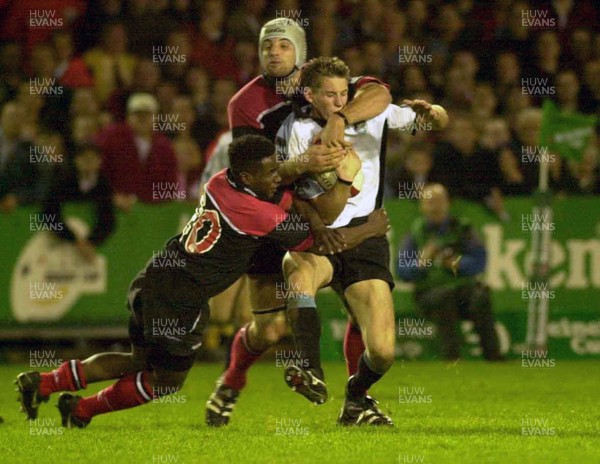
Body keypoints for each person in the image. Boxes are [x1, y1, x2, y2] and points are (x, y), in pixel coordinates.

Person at [15, 134, 389, 428]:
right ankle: (81, 410)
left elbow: (282, 194)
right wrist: (366, 225)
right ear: (247, 177)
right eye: (270, 172)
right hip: (181, 298)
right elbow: (321, 243)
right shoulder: (255, 213)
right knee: (167, 381)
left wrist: (301, 176)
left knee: (138, 360)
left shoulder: (220, 182)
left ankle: (48, 384)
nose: (277, 175)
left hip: (153, 278)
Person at [205, 17, 394, 426]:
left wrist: (339, 119)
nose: (274, 51)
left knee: (360, 306)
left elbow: (379, 93)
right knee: (268, 329)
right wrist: (303, 164)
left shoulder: (328, 84)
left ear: (300, 53)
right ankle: (231, 380)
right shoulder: (244, 103)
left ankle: (356, 400)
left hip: (329, 213)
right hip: (274, 218)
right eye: (267, 45)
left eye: (284, 45)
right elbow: (251, 177)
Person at [277, 57, 448, 426]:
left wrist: (433, 112)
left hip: (365, 243)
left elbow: (425, 117)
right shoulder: (299, 129)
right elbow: (306, 200)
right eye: (329, 95)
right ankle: (310, 369)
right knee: (297, 275)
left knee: (384, 352)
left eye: (344, 94)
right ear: (310, 95)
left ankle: (356, 399)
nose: (338, 102)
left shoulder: (371, 115)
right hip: (320, 235)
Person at [397, 183, 502, 361]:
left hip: (462, 290)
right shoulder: (415, 234)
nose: (435, 207)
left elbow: (479, 261)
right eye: (430, 202)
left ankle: (494, 357)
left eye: (439, 201)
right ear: (422, 206)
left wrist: (456, 263)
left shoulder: (462, 229)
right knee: (443, 297)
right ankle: (451, 358)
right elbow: (402, 271)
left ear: (447, 204)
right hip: (429, 293)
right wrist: (421, 263)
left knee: (481, 297)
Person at [41, 143, 115, 263]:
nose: (88, 163)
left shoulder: (103, 185)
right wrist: (74, 239)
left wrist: (91, 242)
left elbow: (108, 219)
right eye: (84, 159)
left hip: (90, 248)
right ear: (77, 160)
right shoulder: (63, 181)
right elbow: (48, 213)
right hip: (60, 248)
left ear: (99, 161)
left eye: (92, 159)